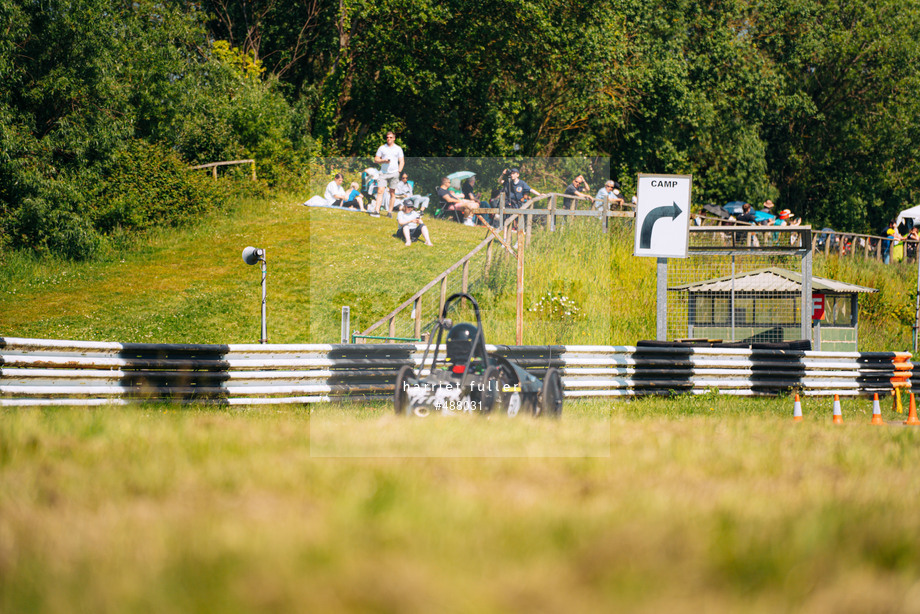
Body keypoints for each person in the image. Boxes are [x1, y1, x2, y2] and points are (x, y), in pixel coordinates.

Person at [373, 131, 404, 217]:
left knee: (392, 193)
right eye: (387, 137)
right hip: (383, 173)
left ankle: (389, 212)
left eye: (390, 137)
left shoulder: (398, 149)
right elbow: (376, 159)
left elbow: (401, 161)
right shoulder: (382, 148)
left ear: (394, 138)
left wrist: (399, 171)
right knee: (380, 191)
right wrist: (384, 160)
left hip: (394, 173)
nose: (388, 139)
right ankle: (377, 211)